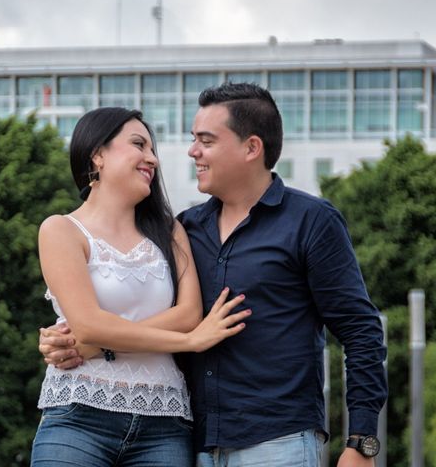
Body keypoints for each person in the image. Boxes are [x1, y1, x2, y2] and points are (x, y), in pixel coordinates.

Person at [39, 84, 388, 467]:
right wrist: (84, 343)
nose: (191, 152)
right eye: (193, 140)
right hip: (198, 444)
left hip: (278, 442)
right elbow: (147, 319)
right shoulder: (188, 229)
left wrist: (362, 441)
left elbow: (360, 329)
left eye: (205, 141)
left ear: (251, 148)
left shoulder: (311, 222)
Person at [31, 107, 251, 467]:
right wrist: (188, 342)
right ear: (97, 154)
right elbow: (89, 324)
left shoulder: (170, 231)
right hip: (78, 416)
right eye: (138, 145)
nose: (151, 158)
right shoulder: (60, 230)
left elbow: (188, 314)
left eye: (152, 150)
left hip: (163, 424)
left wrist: (94, 347)